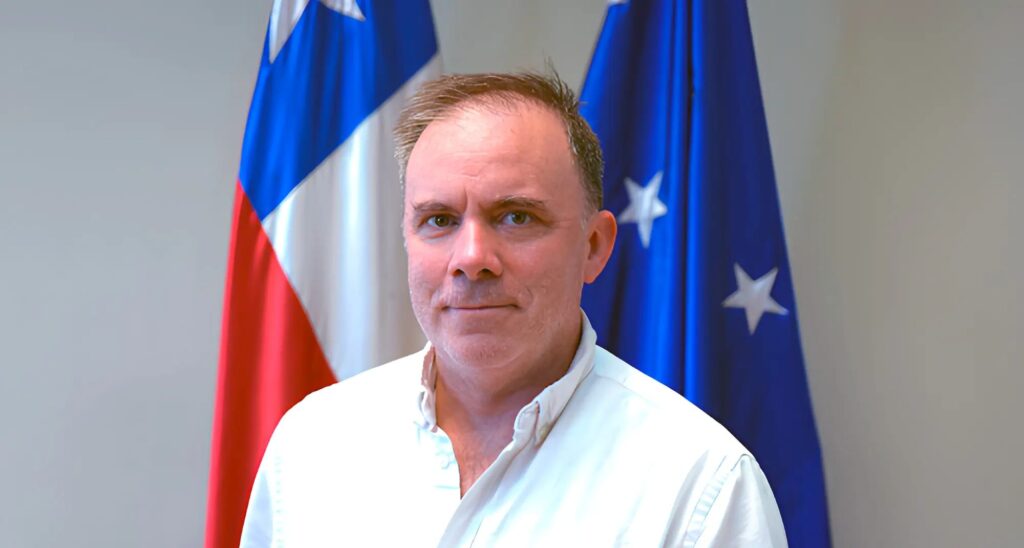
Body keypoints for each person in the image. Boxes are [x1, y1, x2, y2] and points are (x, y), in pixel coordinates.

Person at [239, 72, 788, 547]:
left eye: (516, 217)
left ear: (594, 246)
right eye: (439, 220)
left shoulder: (702, 484)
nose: (472, 259)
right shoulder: (311, 444)